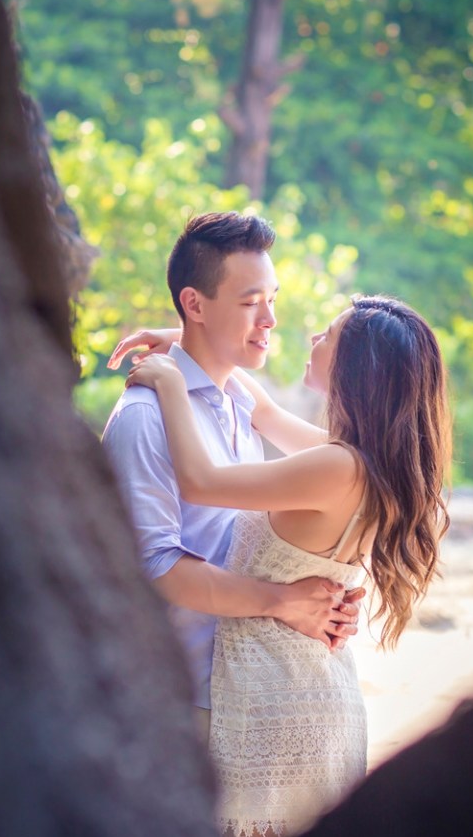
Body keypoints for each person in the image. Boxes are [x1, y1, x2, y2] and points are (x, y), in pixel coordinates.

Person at [117, 294, 452, 837]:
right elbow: (264, 412)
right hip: (311, 693)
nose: (313, 338)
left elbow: (200, 481)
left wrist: (172, 384)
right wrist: (188, 341)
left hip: (272, 706)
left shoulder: (336, 467)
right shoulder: (358, 461)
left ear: (356, 368)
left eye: (329, 336)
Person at [97, 212, 364, 765]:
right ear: (195, 304)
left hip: (252, 691)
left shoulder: (241, 403)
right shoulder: (146, 418)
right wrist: (287, 601)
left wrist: (326, 599)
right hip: (184, 700)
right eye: (250, 303)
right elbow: (154, 566)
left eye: (272, 298)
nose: (270, 319)